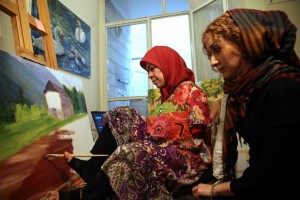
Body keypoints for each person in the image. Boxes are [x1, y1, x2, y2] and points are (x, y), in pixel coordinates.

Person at [47, 45, 213, 200]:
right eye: (147, 71)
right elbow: (153, 130)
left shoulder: (192, 92)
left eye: (152, 68)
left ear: (168, 64)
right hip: (156, 147)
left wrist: (151, 145)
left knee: (133, 151)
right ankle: (93, 167)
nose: (149, 75)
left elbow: (199, 140)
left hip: (185, 159)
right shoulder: (160, 97)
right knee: (122, 114)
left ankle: (82, 195)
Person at [192, 8, 300, 200]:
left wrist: (214, 190)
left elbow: (270, 175)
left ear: (245, 43)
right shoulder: (249, 89)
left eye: (217, 49)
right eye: (209, 54)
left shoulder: (284, 88)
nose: (213, 62)